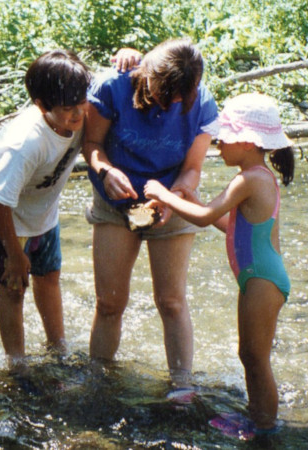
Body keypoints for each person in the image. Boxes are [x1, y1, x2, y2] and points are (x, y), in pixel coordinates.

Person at [144, 93, 294, 435]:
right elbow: (232, 227)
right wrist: (193, 199)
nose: (217, 143)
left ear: (246, 140)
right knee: (249, 355)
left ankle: (266, 427)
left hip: (262, 280)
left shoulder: (250, 179)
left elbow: (205, 217)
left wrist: (164, 194)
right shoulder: (259, 177)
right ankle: (255, 416)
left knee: (256, 359)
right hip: (262, 277)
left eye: (224, 138)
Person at [82, 38, 219, 395]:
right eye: (167, 94)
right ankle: (100, 382)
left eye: (180, 97)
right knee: (110, 302)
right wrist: (104, 171)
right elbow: (91, 144)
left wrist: (172, 200)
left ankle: (181, 388)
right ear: (147, 77)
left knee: (171, 301)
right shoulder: (113, 85)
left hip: (174, 198)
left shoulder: (201, 101)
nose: (174, 102)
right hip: (114, 203)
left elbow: (192, 170)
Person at [0, 49, 91, 364]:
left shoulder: (80, 110)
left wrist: (129, 57)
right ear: (41, 105)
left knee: (49, 274)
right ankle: (17, 363)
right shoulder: (25, 143)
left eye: (82, 103)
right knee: (14, 286)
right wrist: (13, 253)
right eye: (68, 109)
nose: (78, 115)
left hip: (39, 203)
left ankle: (57, 347)